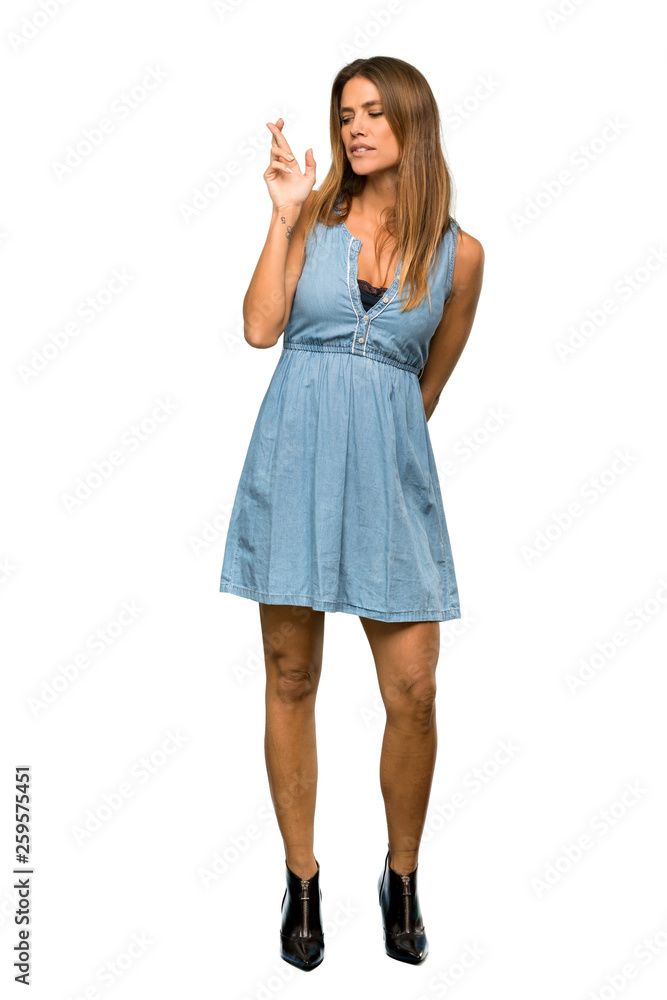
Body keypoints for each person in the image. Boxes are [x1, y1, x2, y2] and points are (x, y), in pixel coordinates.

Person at [219, 55, 484, 970]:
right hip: (292, 468)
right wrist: (283, 214)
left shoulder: (459, 257)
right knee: (291, 677)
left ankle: (400, 877)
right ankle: (301, 880)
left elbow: (424, 390)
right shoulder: (313, 219)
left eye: (373, 111)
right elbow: (260, 328)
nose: (355, 128)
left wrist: (373, 449)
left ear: (412, 120)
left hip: (389, 489)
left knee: (413, 691)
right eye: (344, 115)